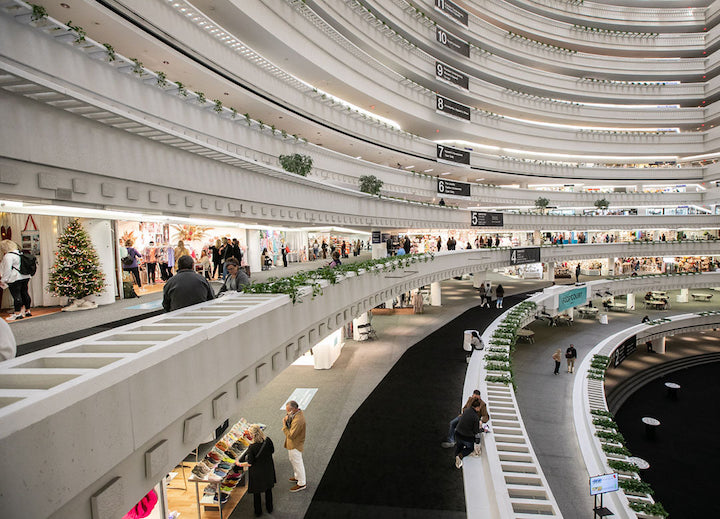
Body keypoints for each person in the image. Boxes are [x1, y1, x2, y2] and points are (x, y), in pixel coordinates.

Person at [236, 424, 275, 517]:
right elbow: (272, 451)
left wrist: (239, 464)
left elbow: (250, 463)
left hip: (257, 472)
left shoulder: (252, 447)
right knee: (268, 489)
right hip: (268, 468)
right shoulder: (268, 441)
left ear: (252, 435)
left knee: (256, 492)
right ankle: (270, 508)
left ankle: (258, 512)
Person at [0, 240, 33, 321]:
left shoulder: (8, 256)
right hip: (25, 276)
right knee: (25, 293)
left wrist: (3, 280)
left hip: (15, 278)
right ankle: (27, 311)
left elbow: (7, 270)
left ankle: (17, 313)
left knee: (16, 296)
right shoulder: (20, 253)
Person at [282, 400, 306, 492]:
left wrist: (284, 425)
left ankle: (301, 483)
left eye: (288, 411)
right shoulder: (295, 414)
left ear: (294, 409)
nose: (287, 413)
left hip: (295, 443)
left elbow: (291, 435)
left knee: (297, 462)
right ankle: (297, 476)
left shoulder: (298, 420)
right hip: (293, 443)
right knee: (293, 460)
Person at [454, 399, 484, 468]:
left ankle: (455, 459)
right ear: (477, 407)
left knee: (459, 447)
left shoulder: (466, 410)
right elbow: (476, 431)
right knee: (470, 448)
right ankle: (459, 456)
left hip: (458, 433)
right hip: (466, 437)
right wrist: (481, 429)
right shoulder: (475, 417)